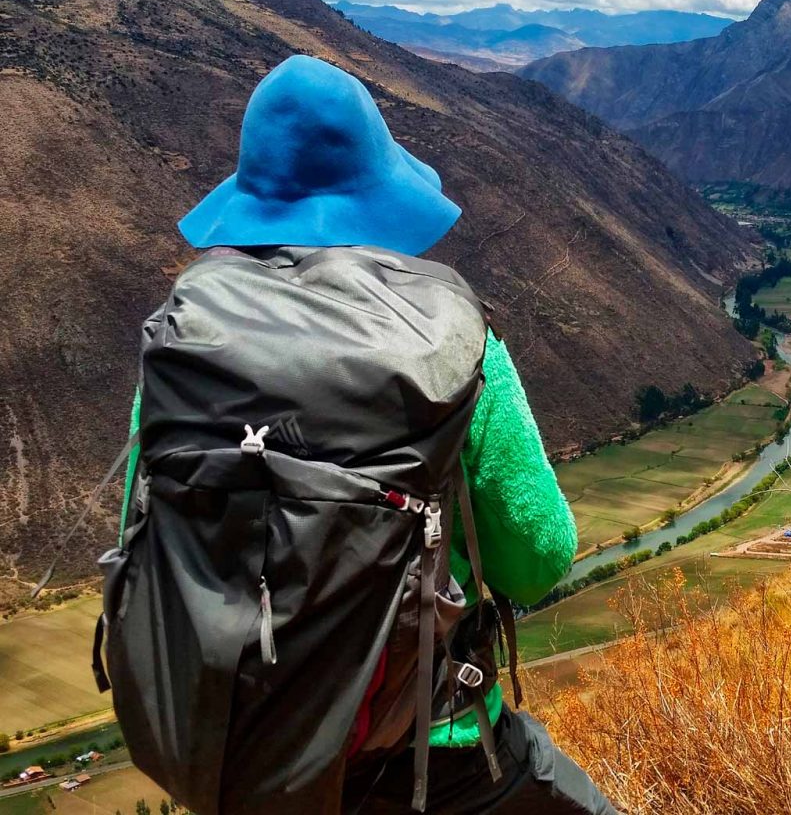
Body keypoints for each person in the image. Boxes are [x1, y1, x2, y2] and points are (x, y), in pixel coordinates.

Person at [104, 54, 618, 815]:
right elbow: (537, 559)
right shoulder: (454, 351)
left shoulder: (183, 352)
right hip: (431, 755)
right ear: (381, 196)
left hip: (238, 749)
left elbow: (140, 537)